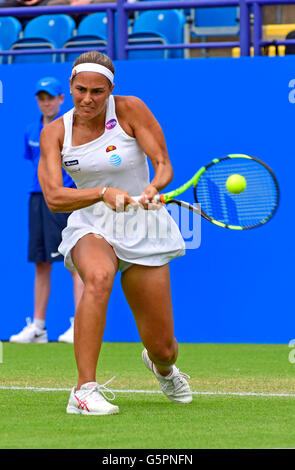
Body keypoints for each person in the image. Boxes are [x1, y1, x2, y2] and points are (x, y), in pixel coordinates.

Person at [38, 51, 192, 416]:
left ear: (110, 90)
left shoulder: (130, 110)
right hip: (90, 224)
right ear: (70, 87)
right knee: (99, 276)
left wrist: (154, 187)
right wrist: (102, 193)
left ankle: (162, 367)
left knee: (164, 347)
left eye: (97, 91)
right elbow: (55, 197)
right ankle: (83, 390)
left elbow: (163, 164)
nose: (88, 99)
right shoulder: (55, 132)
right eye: (80, 90)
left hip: (142, 226)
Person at [10, 77, 84, 344]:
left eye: (51, 97)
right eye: (42, 97)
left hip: (65, 199)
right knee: (41, 263)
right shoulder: (31, 131)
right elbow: (35, 163)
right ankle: (39, 328)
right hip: (37, 199)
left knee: (75, 262)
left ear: (62, 99)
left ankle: (81, 324)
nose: (46, 102)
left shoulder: (71, 129)